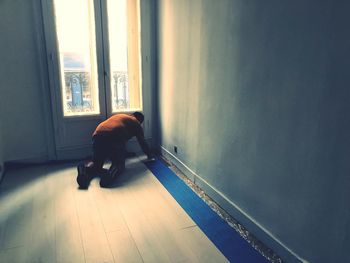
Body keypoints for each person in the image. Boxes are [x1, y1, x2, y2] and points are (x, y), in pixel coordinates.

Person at [77, 112, 153, 188]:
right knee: (119, 165)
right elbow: (142, 142)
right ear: (140, 121)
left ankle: (83, 170)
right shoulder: (136, 123)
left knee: (97, 164)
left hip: (97, 136)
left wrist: (124, 153)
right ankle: (109, 175)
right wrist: (149, 155)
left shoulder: (121, 116)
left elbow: (121, 139)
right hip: (113, 137)